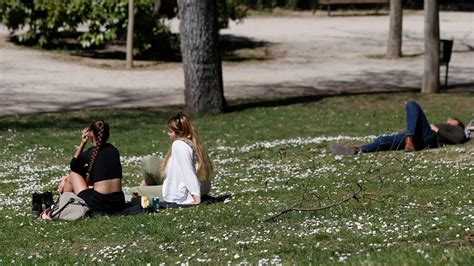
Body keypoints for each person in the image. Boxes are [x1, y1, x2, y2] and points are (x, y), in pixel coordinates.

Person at [127, 112, 212, 205]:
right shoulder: (192, 142)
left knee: (128, 192)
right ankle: (147, 186)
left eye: (171, 132)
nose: (168, 134)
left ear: (180, 132)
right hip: (199, 185)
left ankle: (140, 191)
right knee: (148, 161)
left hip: (181, 191)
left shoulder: (179, 145)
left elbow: (187, 171)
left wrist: (195, 195)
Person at [331, 100, 467, 155]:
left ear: (457, 123)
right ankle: (359, 149)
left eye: (452, 119)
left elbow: (458, 139)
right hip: (418, 138)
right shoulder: (446, 125)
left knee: (412, 104)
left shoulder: (457, 129)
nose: (449, 119)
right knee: (383, 140)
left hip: (430, 138)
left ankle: (409, 139)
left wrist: (437, 129)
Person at [55, 120, 126, 214]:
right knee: (72, 177)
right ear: (107, 134)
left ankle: (61, 205)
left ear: (91, 134)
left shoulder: (91, 153)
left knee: (72, 175)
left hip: (99, 203)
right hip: (118, 202)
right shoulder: (114, 151)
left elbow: (74, 166)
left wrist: (82, 143)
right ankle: (63, 202)